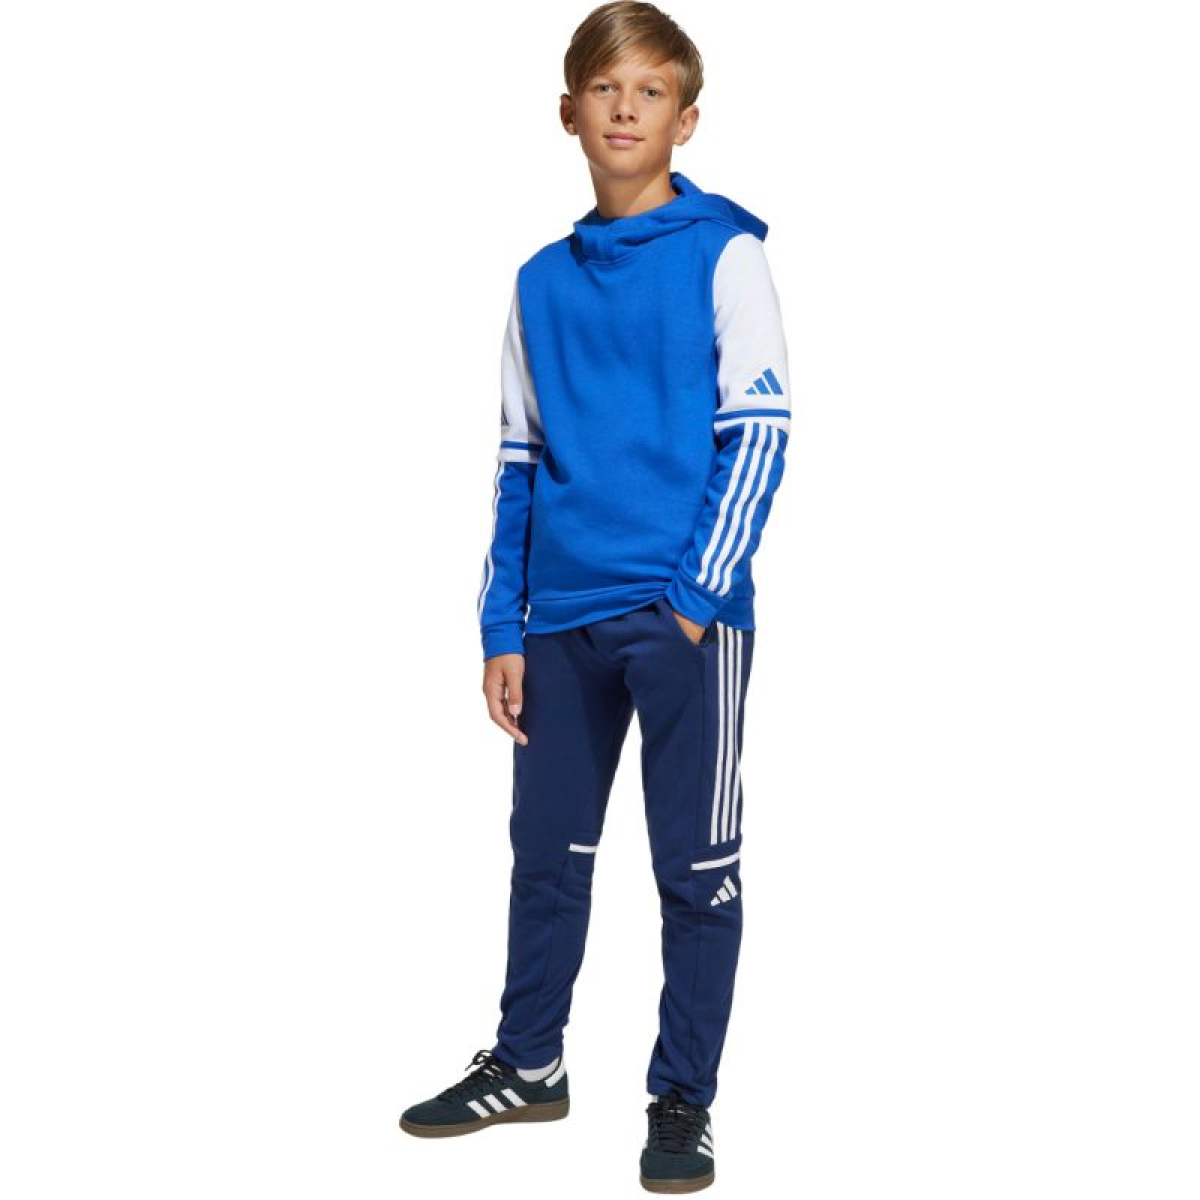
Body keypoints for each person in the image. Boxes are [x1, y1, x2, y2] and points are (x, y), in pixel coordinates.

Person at [399, 3, 791, 1191]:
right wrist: (502, 627)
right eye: (607, 89)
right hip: (560, 623)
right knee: (547, 856)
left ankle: (683, 1100)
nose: (627, 109)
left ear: (687, 119)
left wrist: (696, 600)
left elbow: (760, 433)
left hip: (683, 622)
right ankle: (530, 1064)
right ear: (568, 112)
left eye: (652, 91)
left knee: (696, 870)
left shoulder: (725, 254)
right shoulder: (537, 283)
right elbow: (518, 464)